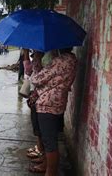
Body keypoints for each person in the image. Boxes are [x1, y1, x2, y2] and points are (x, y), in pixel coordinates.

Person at [29, 47, 77, 175]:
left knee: (49, 142)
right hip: (56, 103)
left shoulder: (61, 61)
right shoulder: (71, 59)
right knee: (48, 139)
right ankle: (46, 165)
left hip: (48, 105)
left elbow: (36, 79)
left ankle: (51, 172)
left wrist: (36, 60)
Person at [22, 49, 46, 171]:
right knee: (38, 128)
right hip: (37, 98)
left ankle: (42, 153)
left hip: (41, 99)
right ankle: (40, 151)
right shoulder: (42, 60)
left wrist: (28, 56)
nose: (34, 54)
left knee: (42, 130)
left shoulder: (45, 61)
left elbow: (33, 76)